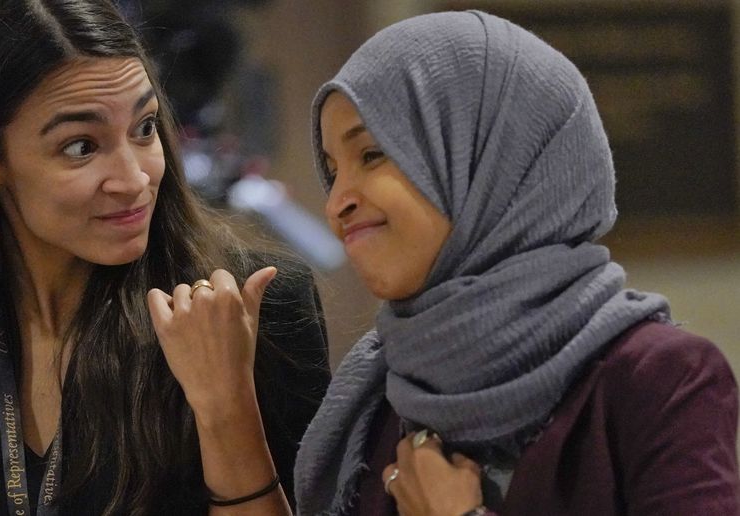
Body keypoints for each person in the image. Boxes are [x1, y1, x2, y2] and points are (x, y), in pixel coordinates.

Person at [0, 1, 330, 515]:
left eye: (144, 128)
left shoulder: (251, 308)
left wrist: (226, 411)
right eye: (81, 146)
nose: (133, 179)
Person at [293, 11, 739, 516]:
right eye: (332, 170)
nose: (336, 203)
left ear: (491, 161)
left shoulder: (657, 379)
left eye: (371, 155)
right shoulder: (380, 396)